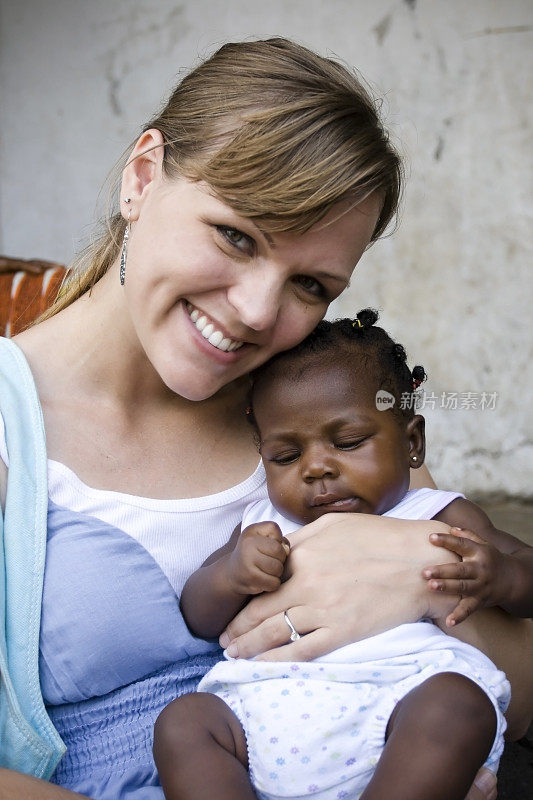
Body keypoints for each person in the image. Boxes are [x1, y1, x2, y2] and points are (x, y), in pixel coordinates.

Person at [0, 37, 530, 800]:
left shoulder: (327, 411)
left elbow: (512, 689)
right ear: (142, 178)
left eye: (310, 285)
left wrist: (412, 585)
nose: (255, 312)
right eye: (234, 235)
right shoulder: (13, 431)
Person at [153, 310, 532, 800]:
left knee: (460, 707)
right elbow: (198, 615)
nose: (316, 468)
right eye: (286, 456)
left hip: (400, 707)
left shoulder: (437, 513)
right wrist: (231, 576)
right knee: (184, 723)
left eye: (348, 442)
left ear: (412, 441)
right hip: (266, 720)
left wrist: (499, 575)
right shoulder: (261, 524)